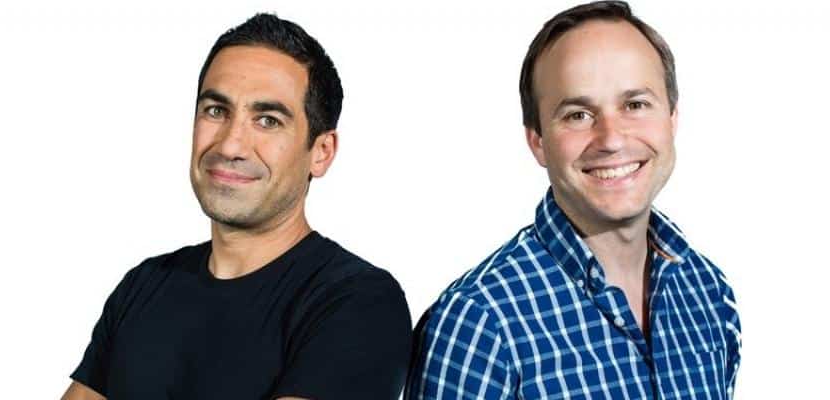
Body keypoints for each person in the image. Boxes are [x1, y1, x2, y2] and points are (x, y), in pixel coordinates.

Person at [62, 13, 411, 400]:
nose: (230, 145)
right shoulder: (144, 285)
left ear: (321, 152)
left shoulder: (358, 302)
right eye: (216, 111)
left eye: (267, 120)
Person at [406, 2, 741, 399]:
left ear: (672, 117)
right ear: (537, 141)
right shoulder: (479, 322)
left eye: (635, 105)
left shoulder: (707, 289)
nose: (611, 139)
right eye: (578, 115)